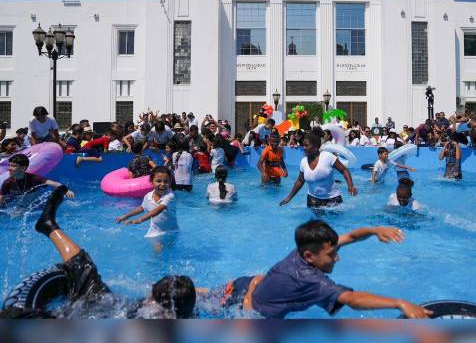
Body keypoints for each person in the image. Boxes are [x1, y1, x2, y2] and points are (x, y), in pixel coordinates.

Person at [195, 220, 432, 319]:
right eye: (331, 255)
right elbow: (352, 298)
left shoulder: (303, 250)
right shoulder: (309, 279)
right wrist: (399, 302)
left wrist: (374, 230)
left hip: (244, 285)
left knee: (201, 296)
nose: (337, 258)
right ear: (310, 256)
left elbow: (349, 236)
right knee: (195, 307)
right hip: (242, 308)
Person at [26, 185, 195, 318]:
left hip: (94, 308)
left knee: (84, 267)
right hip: (107, 305)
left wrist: (139, 220)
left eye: (151, 296)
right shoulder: (182, 314)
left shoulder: (138, 315)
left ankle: (48, 225)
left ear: (154, 304)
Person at [279, 133, 357, 208]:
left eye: (307, 145)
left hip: (333, 201)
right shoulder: (303, 161)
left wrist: (350, 186)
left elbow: (344, 170)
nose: (304, 148)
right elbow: (300, 181)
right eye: (303, 145)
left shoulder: (327, 157)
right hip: (313, 201)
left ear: (316, 146)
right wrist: (289, 198)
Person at [117, 167, 178, 238]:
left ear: (170, 182)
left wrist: (139, 220)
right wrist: (126, 216)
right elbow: (141, 208)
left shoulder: (170, 196)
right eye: (158, 181)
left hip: (171, 231)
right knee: (158, 248)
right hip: (154, 231)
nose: (162, 184)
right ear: (151, 182)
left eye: (166, 181)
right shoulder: (148, 196)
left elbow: (158, 210)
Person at [0, 154, 75, 207]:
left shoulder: (34, 178)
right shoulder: (7, 182)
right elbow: (1, 200)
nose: (9, 168)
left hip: (37, 203)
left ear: (23, 168)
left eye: (13, 166)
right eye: (9, 165)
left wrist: (66, 190)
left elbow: (53, 183)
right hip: (20, 205)